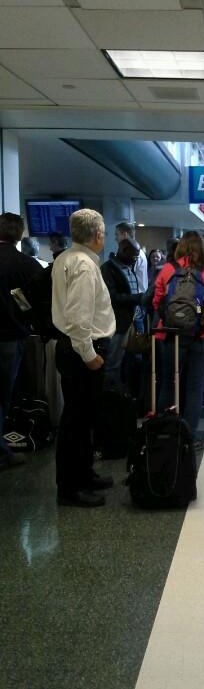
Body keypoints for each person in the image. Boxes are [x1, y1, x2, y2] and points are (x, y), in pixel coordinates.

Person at [52, 209, 116, 507]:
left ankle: (84, 472)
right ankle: (70, 487)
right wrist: (89, 355)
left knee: (83, 418)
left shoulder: (66, 258)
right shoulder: (84, 266)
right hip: (82, 351)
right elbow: (79, 318)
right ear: (97, 235)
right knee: (76, 421)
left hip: (74, 348)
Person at [153, 231, 204, 447]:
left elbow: (157, 302)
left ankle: (163, 433)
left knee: (169, 384)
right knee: (194, 386)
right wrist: (199, 312)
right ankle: (188, 437)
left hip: (171, 335)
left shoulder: (168, 270)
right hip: (203, 336)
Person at [0, 212, 43, 471]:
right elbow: (40, 302)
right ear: (19, 234)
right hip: (10, 337)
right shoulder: (26, 265)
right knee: (3, 396)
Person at [101, 238, 146, 391]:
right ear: (124, 251)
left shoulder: (128, 267)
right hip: (117, 324)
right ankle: (109, 399)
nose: (136, 259)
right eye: (134, 256)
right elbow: (111, 298)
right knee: (112, 364)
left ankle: (123, 396)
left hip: (131, 321)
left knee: (129, 363)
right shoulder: (109, 269)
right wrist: (138, 298)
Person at [115, 221, 148, 292]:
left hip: (135, 296)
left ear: (125, 234)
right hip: (137, 296)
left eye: (117, 235)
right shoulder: (138, 252)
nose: (116, 238)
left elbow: (127, 276)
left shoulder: (133, 254)